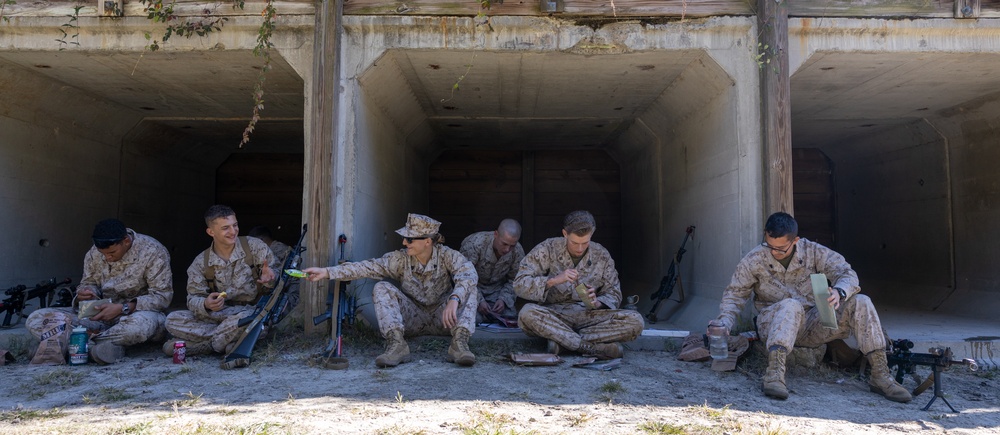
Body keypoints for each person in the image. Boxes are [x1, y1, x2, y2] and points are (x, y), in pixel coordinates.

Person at [709, 211, 911, 402]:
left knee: (862, 301)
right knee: (791, 305)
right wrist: (724, 322)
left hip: (813, 323)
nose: (774, 252)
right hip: (774, 322)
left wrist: (839, 291)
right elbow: (735, 295)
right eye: (769, 245)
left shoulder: (814, 252)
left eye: (780, 248)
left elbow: (847, 273)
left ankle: (880, 375)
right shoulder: (754, 259)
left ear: (795, 241)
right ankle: (775, 374)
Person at [303, 213, 479, 368]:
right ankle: (396, 344)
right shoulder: (400, 259)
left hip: (445, 319)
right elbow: (368, 267)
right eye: (404, 238)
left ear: (427, 241)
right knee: (382, 287)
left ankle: (459, 344)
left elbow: (468, 274)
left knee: (470, 289)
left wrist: (454, 298)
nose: (404, 242)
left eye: (410, 239)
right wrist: (327, 272)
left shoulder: (448, 255)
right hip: (412, 318)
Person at [26, 218, 173, 365]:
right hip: (99, 318)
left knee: (138, 328)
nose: (107, 258)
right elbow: (88, 282)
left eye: (112, 253)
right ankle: (99, 349)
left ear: (126, 241)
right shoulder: (94, 253)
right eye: (103, 254)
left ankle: (63, 346)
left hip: (135, 315)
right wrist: (85, 292)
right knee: (37, 318)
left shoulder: (153, 251)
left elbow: (162, 297)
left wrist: (124, 308)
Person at [514, 210, 644, 360]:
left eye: (585, 243)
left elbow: (614, 292)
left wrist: (598, 302)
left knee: (635, 320)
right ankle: (589, 347)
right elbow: (519, 284)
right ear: (565, 233)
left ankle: (562, 342)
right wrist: (553, 280)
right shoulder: (548, 248)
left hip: (590, 317)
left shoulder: (601, 255)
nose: (580, 248)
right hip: (555, 315)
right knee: (526, 314)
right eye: (575, 243)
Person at [163, 205, 276, 369]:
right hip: (218, 315)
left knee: (252, 322)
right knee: (172, 319)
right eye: (225, 228)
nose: (233, 231)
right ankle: (229, 342)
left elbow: (277, 280)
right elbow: (193, 298)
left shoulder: (255, 247)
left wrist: (269, 279)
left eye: (235, 225)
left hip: (249, 311)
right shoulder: (201, 262)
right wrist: (206, 304)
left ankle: (208, 345)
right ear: (211, 232)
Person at [459, 219, 525, 324]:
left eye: (512, 245)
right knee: (471, 318)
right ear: (496, 234)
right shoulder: (474, 244)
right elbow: (462, 277)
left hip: (497, 292)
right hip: (473, 289)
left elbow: (516, 279)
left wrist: (503, 299)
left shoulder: (517, 251)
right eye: (504, 244)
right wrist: (479, 300)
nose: (507, 249)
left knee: (510, 319)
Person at [247, 225, 299, 312]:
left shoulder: (275, 251)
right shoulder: (278, 248)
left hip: (290, 299)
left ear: (260, 241)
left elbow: (281, 281)